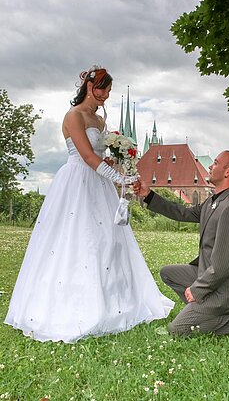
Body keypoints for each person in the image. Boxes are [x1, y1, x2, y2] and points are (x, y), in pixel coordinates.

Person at [4, 65, 174, 343]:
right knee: (75, 241)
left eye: (108, 89)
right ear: (88, 87)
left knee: (108, 240)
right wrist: (120, 178)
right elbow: (87, 156)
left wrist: (121, 170)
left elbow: (101, 157)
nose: (105, 94)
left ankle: (113, 302)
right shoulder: (73, 116)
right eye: (102, 88)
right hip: (77, 181)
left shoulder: (101, 121)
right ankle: (73, 305)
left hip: (99, 184)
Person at [134, 150, 229, 337]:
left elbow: (224, 264)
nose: (210, 166)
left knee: (176, 331)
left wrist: (198, 289)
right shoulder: (214, 201)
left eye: (215, 163)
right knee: (169, 273)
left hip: (225, 288)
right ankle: (203, 312)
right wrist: (149, 195)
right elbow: (183, 213)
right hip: (208, 276)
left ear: (228, 172)